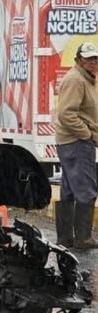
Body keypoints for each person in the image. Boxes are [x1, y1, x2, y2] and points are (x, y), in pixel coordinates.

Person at [54, 41, 98, 249]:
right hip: (77, 142)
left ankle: (65, 238)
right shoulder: (77, 80)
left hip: (71, 142)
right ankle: (83, 238)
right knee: (86, 189)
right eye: (89, 58)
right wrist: (87, 134)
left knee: (70, 189)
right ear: (79, 59)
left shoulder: (86, 79)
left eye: (96, 58)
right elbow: (66, 115)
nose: (93, 62)